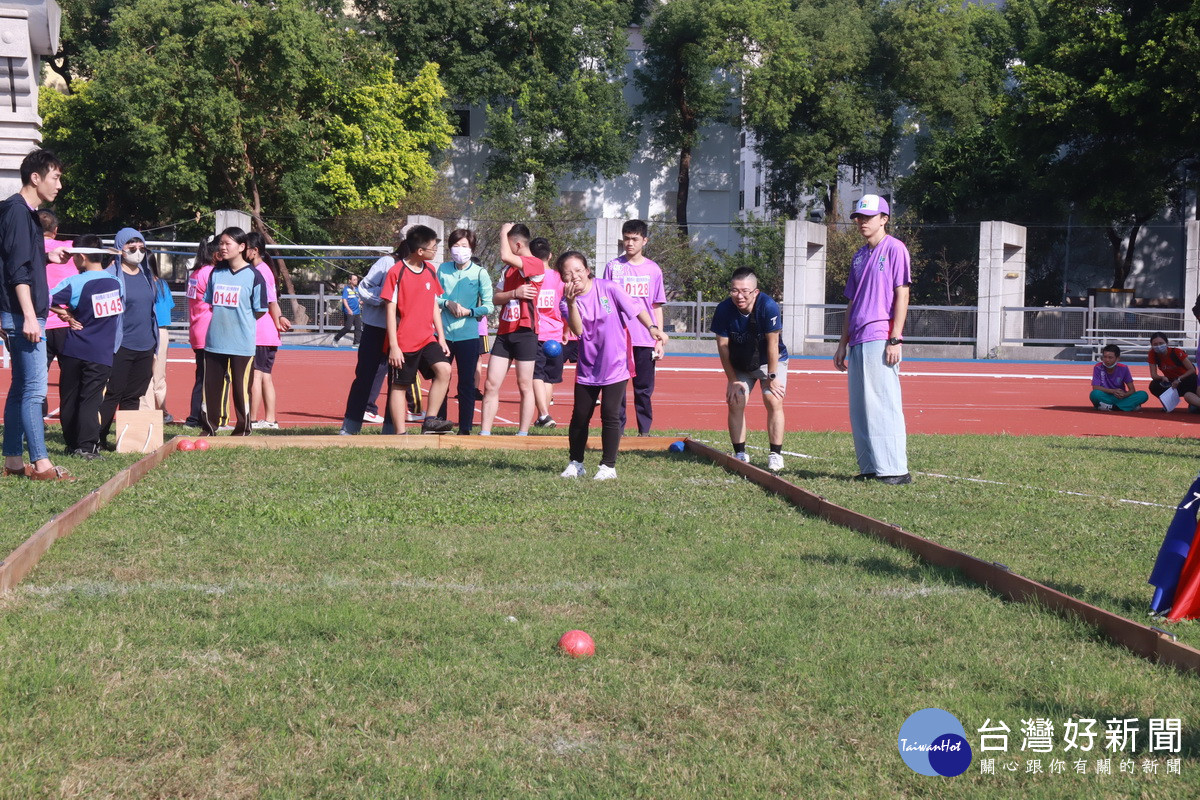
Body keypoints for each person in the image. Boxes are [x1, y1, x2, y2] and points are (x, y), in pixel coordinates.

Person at [557, 252, 668, 480]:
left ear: (587, 270)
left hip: (616, 363)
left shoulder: (608, 288)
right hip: (588, 366)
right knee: (580, 416)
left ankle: (608, 466)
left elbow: (636, 308)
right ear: (562, 278)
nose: (574, 276)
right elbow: (578, 331)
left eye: (578, 270)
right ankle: (576, 463)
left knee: (610, 413)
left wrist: (652, 328)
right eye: (568, 274)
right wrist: (571, 301)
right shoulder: (565, 302)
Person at [1, 151, 74, 480]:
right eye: (55, 177)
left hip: (19, 313)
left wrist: (48, 258)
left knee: (20, 389)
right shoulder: (18, 212)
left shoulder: (25, 214)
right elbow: (16, 271)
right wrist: (30, 316)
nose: (59, 184)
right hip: (23, 315)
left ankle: (14, 462)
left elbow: (22, 262)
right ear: (35, 178)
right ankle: (42, 465)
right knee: (33, 390)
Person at [834, 194, 912, 485]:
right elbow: (852, 302)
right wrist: (842, 342)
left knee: (883, 402)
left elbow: (902, 293)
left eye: (868, 217)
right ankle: (870, 467)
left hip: (880, 334)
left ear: (884, 218)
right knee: (860, 407)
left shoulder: (895, 249)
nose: (862, 222)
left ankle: (894, 469)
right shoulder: (859, 255)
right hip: (857, 338)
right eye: (859, 217)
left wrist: (895, 337)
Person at [47, 235, 123, 459]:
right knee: (91, 398)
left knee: (69, 397)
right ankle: (87, 446)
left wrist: (64, 313)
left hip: (73, 349)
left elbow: (43, 298)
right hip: (101, 352)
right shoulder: (115, 282)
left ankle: (72, 444)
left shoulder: (75, 282)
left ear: (81, 256)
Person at [710, 267, 788, 472]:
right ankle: (740, 453)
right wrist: (732, 379)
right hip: (741, 361)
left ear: (756, 292)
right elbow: (723, 347)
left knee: (773, 398)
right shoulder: (724, 309)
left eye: (745, 291)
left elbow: (773, 344)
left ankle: (775, 454)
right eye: (735, 290)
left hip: (768, 361)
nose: (739, 296)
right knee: (736, 400)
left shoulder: (768, 306)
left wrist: (772, 376)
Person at [382, 225, 454, 434]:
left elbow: (433, 304)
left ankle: (429, 421)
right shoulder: (397, 272)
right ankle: (400, 434)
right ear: (420, 251)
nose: (435, 251)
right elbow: (389, 310)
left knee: (444, 370)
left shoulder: (431, 270)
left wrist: (441, 336)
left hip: (427, 338)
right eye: (432, 248)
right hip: (403, 341)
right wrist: (394, 346)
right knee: (400, 386)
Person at [479, 222, 545, 436]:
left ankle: (523, 433)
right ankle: (485, 433)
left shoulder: (535, 263)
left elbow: (506, 256)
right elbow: (496, 298)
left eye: (507, 244)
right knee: (490, 384)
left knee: (524, 384)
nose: (504, 250)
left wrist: (502, 232)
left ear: (517, 245)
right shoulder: (507, 271)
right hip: (505, 332)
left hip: (526, 332)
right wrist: (514, 293)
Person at [97, 227, 160, 449]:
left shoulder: (146, 276)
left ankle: (127, 441)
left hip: (145, 345)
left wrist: (154, 344)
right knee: (112, 394)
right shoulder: (110, 275)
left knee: (133, 396)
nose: (137, 251)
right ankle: (98, 437)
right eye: (131, 247)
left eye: (141, 247)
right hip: (120, 345)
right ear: (119, 248)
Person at [201, 227, 268, 436]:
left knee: (241, 390)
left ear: (241, 247)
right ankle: (210, 427)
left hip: (242, 344)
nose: (222, 247)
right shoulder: (216, 273)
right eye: (221, 243)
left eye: (227, 243)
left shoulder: (254, 276)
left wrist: (242, 323)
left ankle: (242, 428)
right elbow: (211, 303)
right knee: (211, 389)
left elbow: (259, 310)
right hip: (215, 341)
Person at [603, 219, 666, 435]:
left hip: (644, 339)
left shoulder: (654, 270)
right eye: (627, 239)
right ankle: (616, 432)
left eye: (635, 239)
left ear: (644, 241)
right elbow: (606, 302)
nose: (630, 243)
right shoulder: (613, 267)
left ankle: (644, 432)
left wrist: (658, 339)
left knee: (644, 389)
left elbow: (656, 306)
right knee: (617, 389)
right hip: (618, 338)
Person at [339, 240, 409, 435]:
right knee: (365, 376)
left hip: (400, 332)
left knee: (397, 381)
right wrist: (384, 300)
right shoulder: (387, 262)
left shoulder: (420, 269)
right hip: (376, 328)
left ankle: (391, 429)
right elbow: (364, 288)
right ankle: (350, 426)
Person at [435, 228, 493, 434]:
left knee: (466, 384)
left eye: (464, 246)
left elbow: (489, 306)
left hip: (468, 336)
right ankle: (438, 424)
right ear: (450, 248)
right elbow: (432, 297)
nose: (460, 250)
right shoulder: (442, 269)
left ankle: (465, 428)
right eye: (456, 246)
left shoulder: (480, 273)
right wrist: (446, 302)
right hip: (443, 335)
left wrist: (470, 311)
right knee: (440, 379)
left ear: (472, 248)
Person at [246, 232, 291, 430]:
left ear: (254, 251)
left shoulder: (260, 272)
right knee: (264, 376)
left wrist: (278, 319)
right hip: (268, 333)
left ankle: (254, 419)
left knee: (255, 376)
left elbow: (272, 301)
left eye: (244, 246)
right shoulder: (263, 270)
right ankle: (270, 419)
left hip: (261, 333)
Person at [138, 241, 176, 423]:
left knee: (145, 373)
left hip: (144, 331)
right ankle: (162, 411)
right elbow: (168, 308)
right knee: (159, 375)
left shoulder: (139, 285)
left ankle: (146, 411)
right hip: (161, 331)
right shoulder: (162, 285)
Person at [184, 236, 220, 429]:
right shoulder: (210, 273)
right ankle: (197, 417)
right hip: (207, 330)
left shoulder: (195, 273)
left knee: (202, 376)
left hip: (197, 328)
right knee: (207, 378)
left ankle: (194, 417)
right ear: (215, 255)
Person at [530, 237, 564, 429]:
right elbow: (565, 304)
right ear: (550, 255)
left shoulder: (529, 276)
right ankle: (543, 415)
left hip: (537, 334)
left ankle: (544, 414)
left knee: (537, 375)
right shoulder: (559, 278)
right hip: (555, 334)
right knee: (549, 376)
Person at [39, 209, 75, 379]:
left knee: (34, 382)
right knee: (71, 380)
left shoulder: (26, 251)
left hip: (38, 323)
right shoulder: (71, 249)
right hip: (66, 322)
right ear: (55, 230)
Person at [1147, 331, 1200, 411]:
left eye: (1161, 343)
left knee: (1192, 382)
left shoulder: (1176, 352)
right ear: (1152, 345)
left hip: (1186, 380)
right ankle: (1169, 403)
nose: (1158, 346)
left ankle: (1194, 401)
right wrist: (1162, 377)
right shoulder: (1152, 354)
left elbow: (1192, 370)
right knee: (1154, 385)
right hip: (1171, 382)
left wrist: (1179, 379)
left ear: (1167, 343)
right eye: (1155, 344)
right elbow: (1153, 375)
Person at [1090, 344, 1148, 411]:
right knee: (1094, 394)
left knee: (1143, 395)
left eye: (1110, 357)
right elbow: (1095, 387)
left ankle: (1111, 407)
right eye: (1105, 357)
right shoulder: (1098, 367)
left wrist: (1124, 395)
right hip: (1106, 396)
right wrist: (1113, 391)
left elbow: (1132, 390)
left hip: (1120, 397)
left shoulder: (1124, 368)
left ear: (1118, 358)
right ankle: (1127, 406)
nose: (1107, 360)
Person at [333, 274, 362, 346]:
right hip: (349, 311)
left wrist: (361, 302)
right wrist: (349, 309)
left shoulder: (357, 289)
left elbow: (358, 299)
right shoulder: (346, 289)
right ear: (350, 281)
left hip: (357, 311)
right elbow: (344, 300)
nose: (356, 281)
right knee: (347, 327)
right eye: (354, 279)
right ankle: (336, 338)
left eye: (356, 279)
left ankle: (356, 343)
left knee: (358, 327)